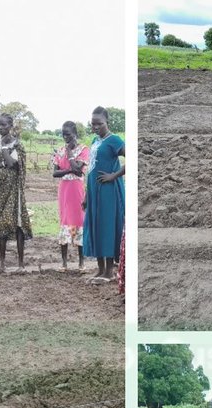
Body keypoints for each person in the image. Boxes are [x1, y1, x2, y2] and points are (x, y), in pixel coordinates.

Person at [0, 113, 33, 272]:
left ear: (10, 126)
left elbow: (14, 164)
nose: (0, 128)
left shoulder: (17, 145)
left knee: (18, 223)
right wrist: (3, 163)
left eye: (3, 125)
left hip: (14, 189)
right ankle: (2, 264)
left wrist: (5, 148)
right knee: (2, 222)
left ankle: (21, 264)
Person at [83, 107, 125, 285]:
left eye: (99, 123)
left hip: (108, 191)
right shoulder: (95, 140)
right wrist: (87, 195)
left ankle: (109, 272)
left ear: (107, 122)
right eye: (93, 124)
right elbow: (91, 169)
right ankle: (100, 269)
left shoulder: (114, 140)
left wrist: (113, 175)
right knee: (96, 226)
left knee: (107, 226)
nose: (95, 127)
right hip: (94, 191)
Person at [52, 121, 89, 271]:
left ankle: (81, 263)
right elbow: (55, 173)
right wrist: (69, 170)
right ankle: (64, 263)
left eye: (68, 134)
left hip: (77, 190)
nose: (65, 137)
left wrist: (69, 154)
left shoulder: (83, 150)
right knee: (65, 221)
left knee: (79, 221)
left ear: (75, 134)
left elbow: (78, 170)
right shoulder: (60, 151)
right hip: (64, 191)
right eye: (63, 135)